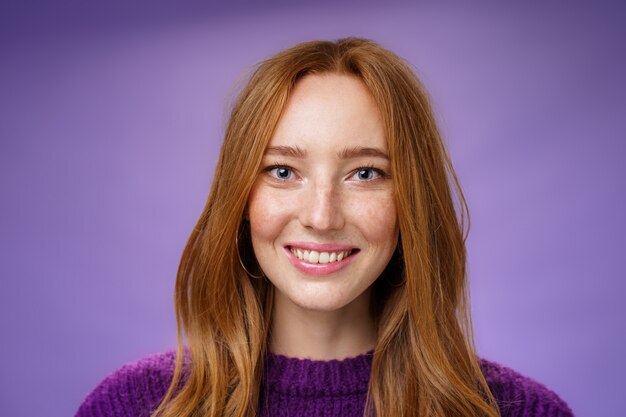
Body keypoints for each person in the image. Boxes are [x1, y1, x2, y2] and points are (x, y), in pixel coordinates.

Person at [76, 38, 574, 417]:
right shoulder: (134, 406)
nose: (321, 216)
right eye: (283, 171)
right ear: (240, 196)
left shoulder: (518, 410)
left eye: (365, 173)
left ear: (413, 201)